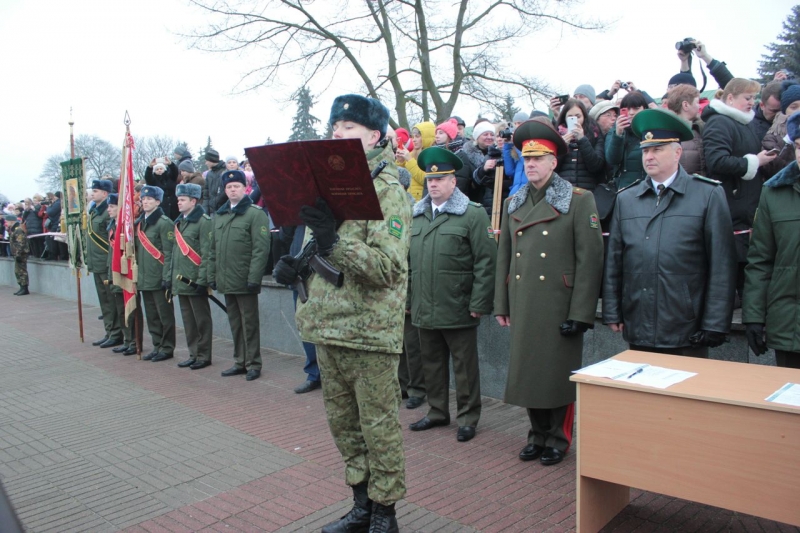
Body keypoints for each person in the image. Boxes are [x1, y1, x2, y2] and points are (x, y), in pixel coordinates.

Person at [273, 94, 411, 532]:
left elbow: (387, 268)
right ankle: (361, 507)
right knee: (345, 427)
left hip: (370, 330)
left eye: (348, 127)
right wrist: (297, 264)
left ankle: (385, 515)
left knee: (378, 427)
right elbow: (326, 253)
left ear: (374, 135)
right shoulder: (328, 189)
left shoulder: (388, 190)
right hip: (328, 325)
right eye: (335, 127)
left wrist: (334, 242)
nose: (337, 134)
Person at [494, 119, 604, 466]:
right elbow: (505, 257)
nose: (530, 164)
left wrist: (581, 313)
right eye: (526, 159)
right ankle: (537, 435)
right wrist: (501, 302)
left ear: (554, 162)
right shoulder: (515, 202)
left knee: (556, 375)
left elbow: (590, 260)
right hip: (525, 300)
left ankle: (558, 438)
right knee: (529, 372)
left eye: (538, 158)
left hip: (559, 302)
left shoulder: (578, 200)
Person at [604, 108, 737, 358]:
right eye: (645, 150)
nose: (649, 157)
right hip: (639, 320)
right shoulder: (627, 199)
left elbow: (722, 265)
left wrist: (715, 323)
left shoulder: (707, 194)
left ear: (677, 152)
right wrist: (613, 310)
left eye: (657, 149)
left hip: (686, 324)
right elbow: (614, 261)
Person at [407, 146, 496, 442]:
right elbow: (408, 265)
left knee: (464, 367)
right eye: (430, 180)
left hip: (458, 305)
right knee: (430, 362)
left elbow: (486, 261)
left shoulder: (471, 214)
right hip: (424, 305)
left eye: (441, 179)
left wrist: (479, 302)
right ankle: (436, 411)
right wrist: (409, 301)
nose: (433, 184)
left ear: (453, 181)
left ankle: (468, 417)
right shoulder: (416, 216)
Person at [702, 78, 778, 298]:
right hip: (731, 205)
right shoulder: (720, 122)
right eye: (747, 98)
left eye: (753, 98)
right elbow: (716, 161)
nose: (751, 103)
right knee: (735, 267)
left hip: (743, 205)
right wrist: (755, 161)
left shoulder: (740, 122)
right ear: (730, 98)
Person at [743, 112, 800, 368]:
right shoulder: (774, 193)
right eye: (799, 146)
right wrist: (753, 316)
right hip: (790, 327)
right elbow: (760, 260)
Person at [207, 170, 270, 381]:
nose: (232, 190)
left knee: (249, 323)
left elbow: (260, 249)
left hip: (245, 279)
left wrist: (254, 278)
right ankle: (239, 361)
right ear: (225, 190)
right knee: (235, 323)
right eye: (229, 187)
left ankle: (253, 363)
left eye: (236, 186)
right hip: (226, 280)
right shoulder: (220, 215)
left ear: (245, 188)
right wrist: (212, 275)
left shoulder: (255, 214)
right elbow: (213, 249)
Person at [172, 183, 214, 370]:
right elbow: (176, 254)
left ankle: (204, 355)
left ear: (193, 201)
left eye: (182, 200)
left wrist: (202, 280)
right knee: (189, 321)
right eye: (178, 200)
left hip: (195, 279)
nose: (178, 203)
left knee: (201, 320)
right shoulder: (180, 222)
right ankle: (193, 353)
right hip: (182, 279)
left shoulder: (203, 222)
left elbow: (207, 253)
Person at [135, 185, 176, 362]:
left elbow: (169, 253)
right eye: (143, 199)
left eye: (149, 199)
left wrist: (167, 277)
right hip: (145, 277)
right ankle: (157, 344)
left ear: (158, 202)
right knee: (151, 314)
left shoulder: (164, 222)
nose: (145, 202)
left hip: (159, 276)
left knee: (164, 315)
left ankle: (167, 347)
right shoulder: (140, 223)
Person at [87, 179, 124, 348]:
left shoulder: (106, 213)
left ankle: (116, 333)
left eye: (96, 191)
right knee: (104, 301)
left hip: (106, 262)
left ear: (105, 193)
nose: (92, 193)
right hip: (96, 262)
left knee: (111, 301)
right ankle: (109, 331)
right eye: (92, 191)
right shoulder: (94, 211)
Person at [106, 194, 136, 356]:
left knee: (129, 308)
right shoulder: (112, 226)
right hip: (115, 271)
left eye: (112, 206)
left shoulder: (126, 226)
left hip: (126, 272)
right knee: (119, 309)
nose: (108, 210)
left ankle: (133, 341)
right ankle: (126, 339)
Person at [554, 99, 606, 190]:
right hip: (562, 191)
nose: (575, 121)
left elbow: (596, 166)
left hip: (587, 191)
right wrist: (562, 146)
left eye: (578, 116)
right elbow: (552, 167)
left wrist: (582, 139)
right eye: (570, 117)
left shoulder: (595, 133)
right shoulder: (557, 135)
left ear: (584, 117)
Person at [605, 91, 650, 189]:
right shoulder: (615, 131)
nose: (631, 113)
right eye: (627, 109)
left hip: (649, 187)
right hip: (625, 188)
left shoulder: (651, 130)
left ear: (645, 109)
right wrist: (618, 134)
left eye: (636, 108)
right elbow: (612, 160)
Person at [470, 121, 512, 213]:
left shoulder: (513, 154)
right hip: (489, 203)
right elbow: (476, 181)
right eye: (497, 136)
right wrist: (483, 169)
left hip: (508, 200)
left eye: (503, 136)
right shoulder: (490, 155)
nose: (500, 139)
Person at [761, 82, 800, 178]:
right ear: (784, 110)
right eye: (794, 107)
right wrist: (787, 142)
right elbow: (770, 168)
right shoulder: (773, 135)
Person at [666, 84, 706, 176]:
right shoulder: (694, 131)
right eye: (697, 102)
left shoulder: (699, 127)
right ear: (686, 105)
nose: (699, 106)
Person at [396, 121, 435, 201]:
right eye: (413, 137)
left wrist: (409, 160)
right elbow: (401, 177)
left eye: (417, 136)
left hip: (424, 200)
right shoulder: (412, 154)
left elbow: (425, 179)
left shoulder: (433, 155)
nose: (413, 140)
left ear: (426, 138)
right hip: (410, 199)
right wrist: (400, 161)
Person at [6, 214, 29, 295]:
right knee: (18, 271)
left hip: (21, 254)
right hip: (17, 253)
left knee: (22, 271)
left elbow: (20, 243)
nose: (6, 223)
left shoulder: (18, 230)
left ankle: (24, 288)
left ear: (11, 221)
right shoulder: (13, 230)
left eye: (7, 221)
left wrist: (18, 254)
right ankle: (21, 287)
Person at [202, 149, 228, 214]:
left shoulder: (225, 172)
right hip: (211, 213)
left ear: (211, 160)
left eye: (207, 161)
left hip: (223, 211)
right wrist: (205, 212)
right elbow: (206, 195)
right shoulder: (209, 174)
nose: (206, 163)